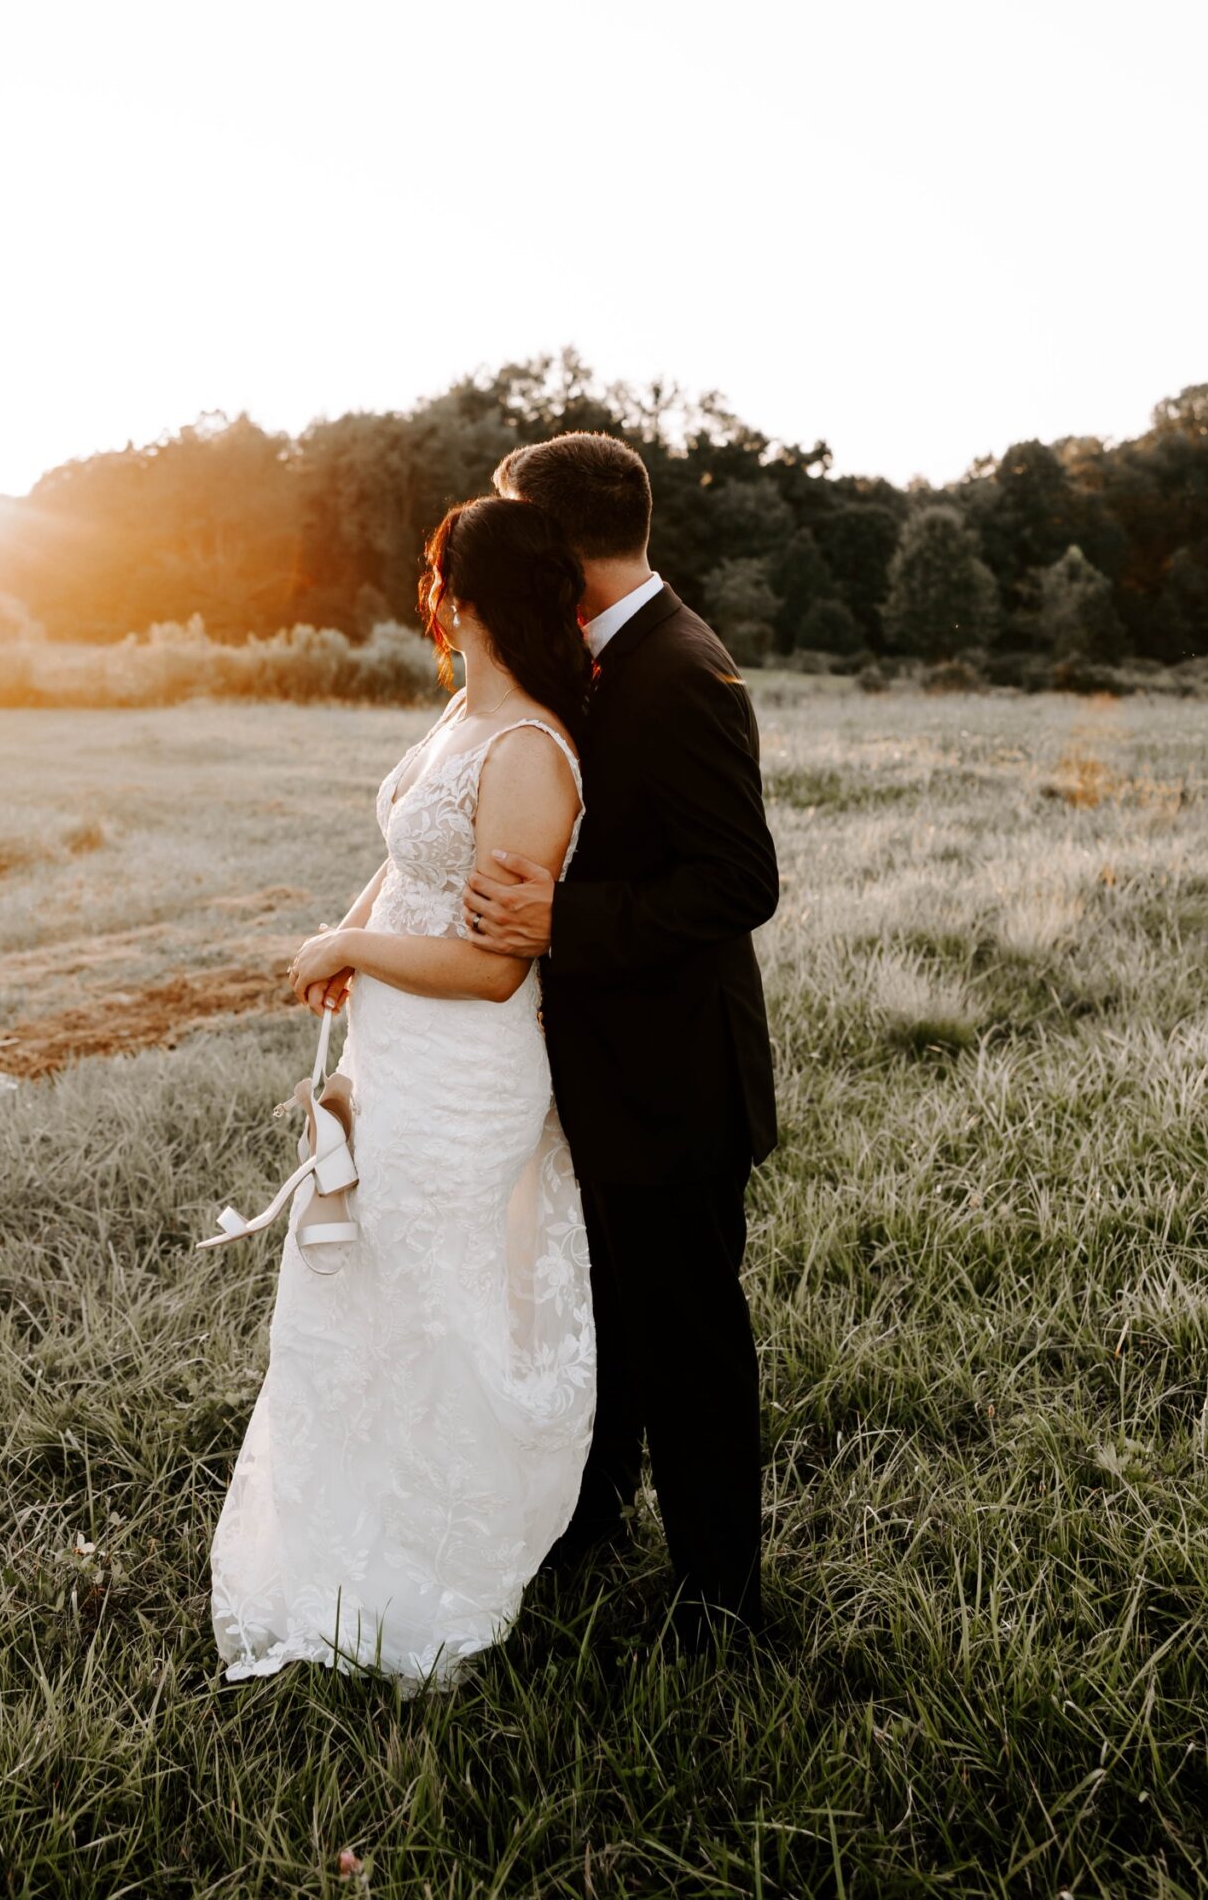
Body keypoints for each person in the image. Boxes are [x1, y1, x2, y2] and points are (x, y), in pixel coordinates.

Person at [208, 495, 595, 1691]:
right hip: (395, 1059)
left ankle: (444, 1577)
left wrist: (351, 953)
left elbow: (491, 969)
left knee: (446, 1307)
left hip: (466, 1075)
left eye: (433, 578)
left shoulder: (528, 749)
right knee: (374, 1300)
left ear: (459, 596)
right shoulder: (458, 717)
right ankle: (343, 1551)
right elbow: (405, 860)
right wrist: (352, 925)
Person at [466, 431, 779, 1640]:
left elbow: (737, 879)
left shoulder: (677, 668)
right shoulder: (599, 657)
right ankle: (589, 1522)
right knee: (609, 1320)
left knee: (689, 1342)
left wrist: (564, 919)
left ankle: (721, 1600)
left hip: (675, 1082)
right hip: (607, 1071)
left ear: (553, 540)